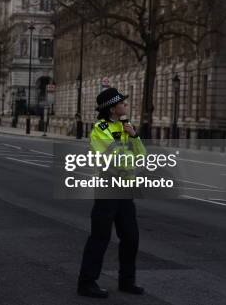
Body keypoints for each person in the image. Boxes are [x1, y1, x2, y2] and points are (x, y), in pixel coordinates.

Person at [77, 87, 146, 299]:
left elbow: (142, 155)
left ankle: (127, 280)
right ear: (113, 108)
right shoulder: (101, 128)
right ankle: (87, 283)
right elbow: (112, 158)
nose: (126, 106)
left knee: (131, 237)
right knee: (100, 236)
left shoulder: (127, 127)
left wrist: (134, 136)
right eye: (123, 103)